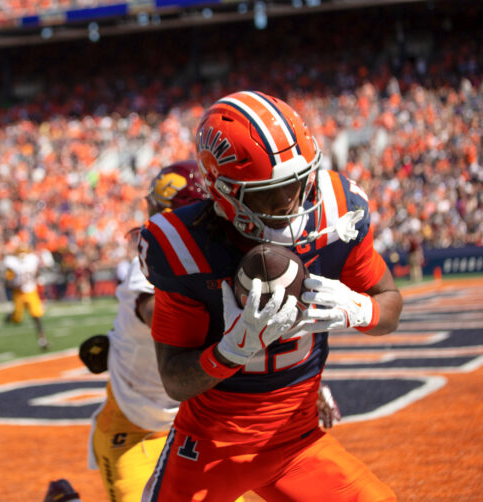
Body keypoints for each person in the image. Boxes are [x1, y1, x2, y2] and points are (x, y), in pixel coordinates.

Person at [139, 91, 403, 501]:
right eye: (267, 192)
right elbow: (175, 379)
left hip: (296, 438)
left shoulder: (336, 211)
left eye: (297, 183)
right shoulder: (184, 247)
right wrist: (229, 351)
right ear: (220, 191)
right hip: (211, 448)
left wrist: (359, 309)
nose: (289, 203)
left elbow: (389, 302)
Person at [80, 161, 224, 502]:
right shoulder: (151, 266)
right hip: (134, 430)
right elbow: (153, 309)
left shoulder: (219, 264)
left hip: (192, 427)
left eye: (159, 212)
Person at [2, 243, 49, 350]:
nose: (22, 255)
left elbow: (36, 273)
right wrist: (13, 283)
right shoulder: (12, 264)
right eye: (20, 253)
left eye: (24, 253)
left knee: (37, 316)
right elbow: (7, 281)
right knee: (17, 319)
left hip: (31, 291)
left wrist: (35, 278)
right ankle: (10, 316)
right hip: (18, 293)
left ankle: (42, 340)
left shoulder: (32, 260)